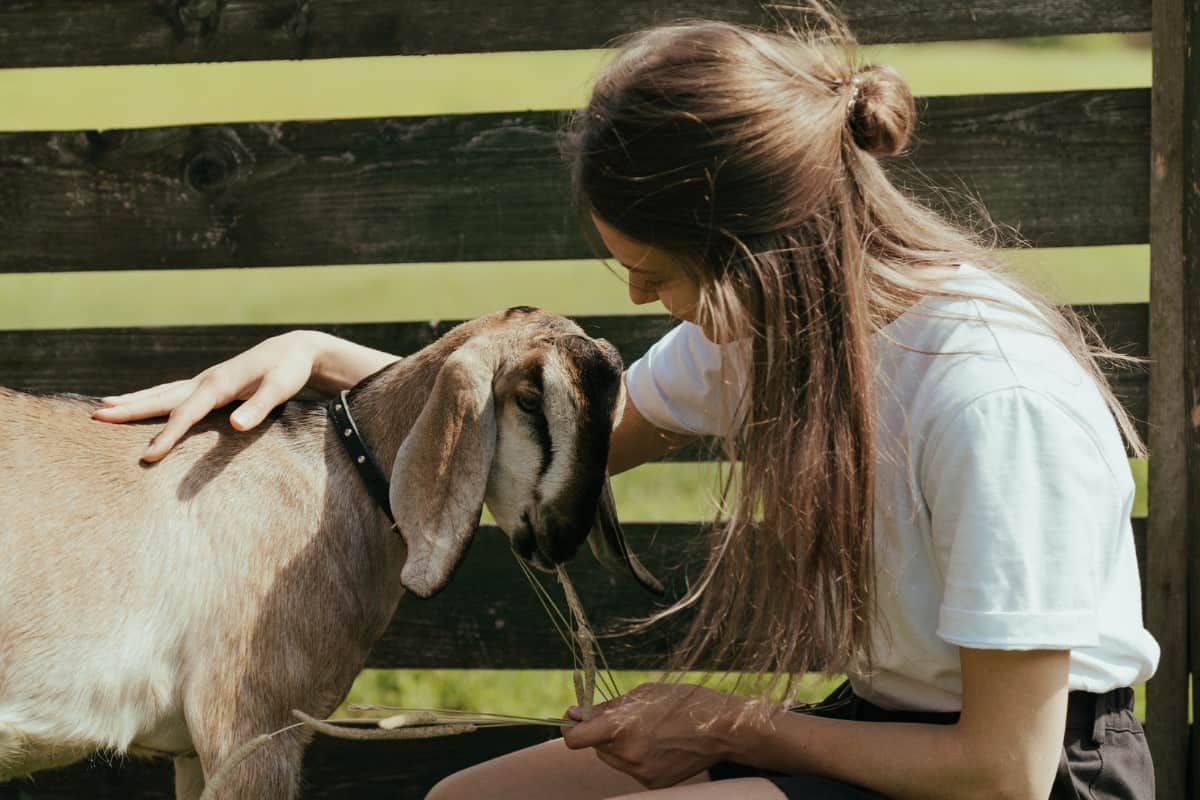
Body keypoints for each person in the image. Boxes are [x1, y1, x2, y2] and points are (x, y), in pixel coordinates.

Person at [94, 8, 1159, 799]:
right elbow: (568, 443)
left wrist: (733, 725)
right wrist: (326, 357)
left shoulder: (992, 402)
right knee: (467, 799)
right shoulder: (769, 327)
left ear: (757, 247)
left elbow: (1004, 765)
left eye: (656, 270)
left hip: (1031, 772)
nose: (644, 303)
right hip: (881, 725)